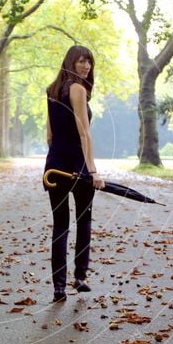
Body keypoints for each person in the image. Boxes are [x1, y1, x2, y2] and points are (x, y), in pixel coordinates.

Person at [42, 45, 104, 302]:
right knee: (83, 221)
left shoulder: (52, 90)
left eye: (88, 62)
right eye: (80, 61)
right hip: (77, 167)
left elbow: (49, 134)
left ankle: (59, 286)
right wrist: (92, 170)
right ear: (70, 62)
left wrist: (56, 156)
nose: (86, 66)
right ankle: (79, 277)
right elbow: (84, 132)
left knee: (60, 225)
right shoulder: (77, 89)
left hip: (54, 165)